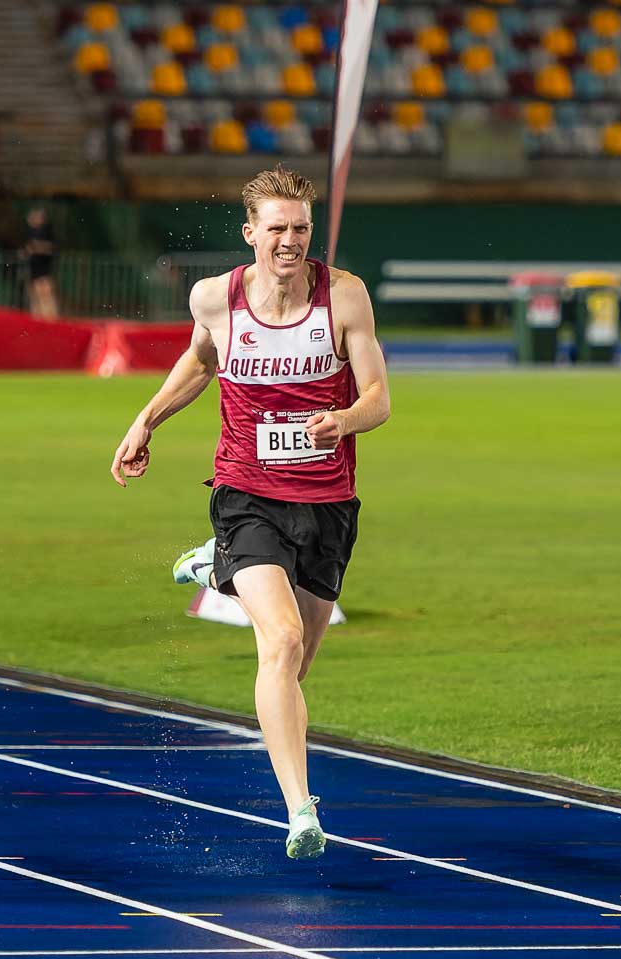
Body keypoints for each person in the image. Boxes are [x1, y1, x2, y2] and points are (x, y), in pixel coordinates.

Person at [109, 165, 390, 862]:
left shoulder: (345, 297)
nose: (289, 241)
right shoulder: (216, 298)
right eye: (276, 229)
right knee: (283, 641)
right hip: (247, 493)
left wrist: (344, 419)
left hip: (326, 503)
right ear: (250, 234)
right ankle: (301, 810)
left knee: (296, 667)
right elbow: (201, 364)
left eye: (300, 228)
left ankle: (217, 567)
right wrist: (146, 421)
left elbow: (380, 397)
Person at [21, 206, 59, 319]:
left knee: (45, 293)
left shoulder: (46, 232)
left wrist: (35, 248)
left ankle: (50, 316)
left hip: (43, 268)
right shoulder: (30, 233)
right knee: (35, 294)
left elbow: (50, 248)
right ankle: (39, 316)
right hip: (35, 267)